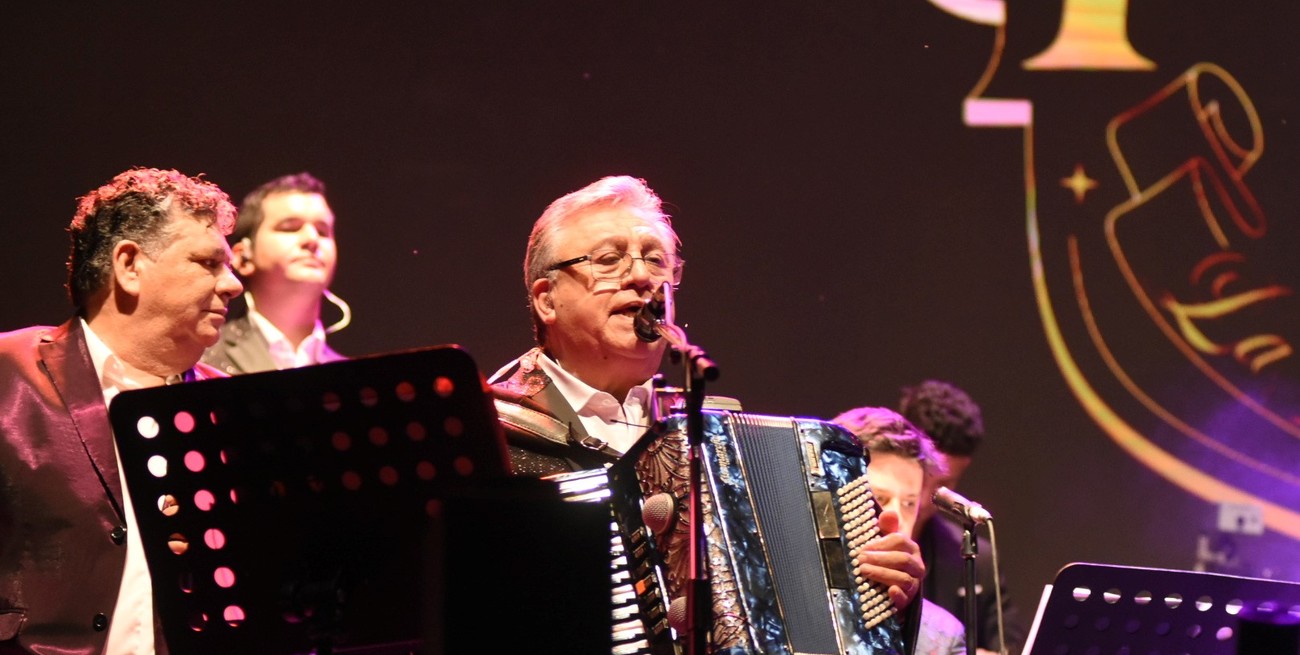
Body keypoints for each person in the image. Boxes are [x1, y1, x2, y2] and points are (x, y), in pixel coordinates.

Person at [488, 175, 925, 648]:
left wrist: (883, 592)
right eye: (609, 260)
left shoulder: (707, 439)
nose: (642, 277)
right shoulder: (494, 436)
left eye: (656, 260)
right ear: (546, 299)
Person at [0, 168, 242, 654]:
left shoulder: (231, 407)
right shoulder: (8, 377)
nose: (233, 284)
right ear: (130, 264)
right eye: (208, 262)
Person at [900, 380, 1028, 655]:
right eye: (918, 477)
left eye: (942, 484)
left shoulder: (977, 559)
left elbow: (1003, 646)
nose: (921, 499)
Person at [834, 406, 968, 655]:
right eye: (879, 497)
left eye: (909, 503)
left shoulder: (944, 636)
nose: (897, 521)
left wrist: (903, 622)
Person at [202, 172, 346, 375]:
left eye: (323, 231)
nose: (312, 239)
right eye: (290, 228)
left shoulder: (353, 375)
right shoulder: (201, 359)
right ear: (243, 257)